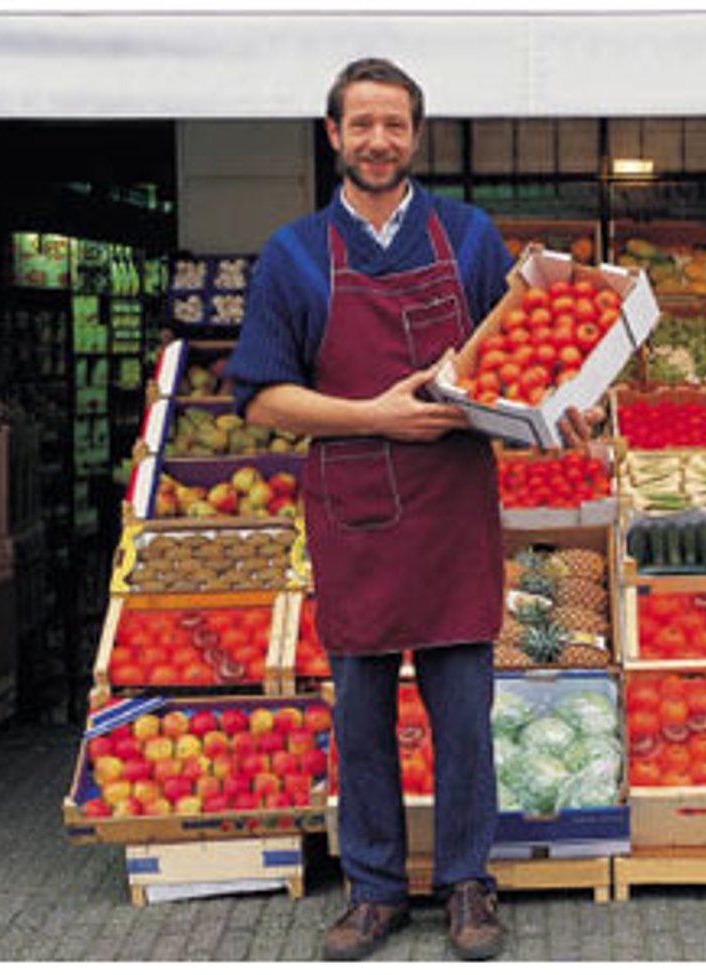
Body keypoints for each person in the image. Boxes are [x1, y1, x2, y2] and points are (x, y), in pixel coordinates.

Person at [224, 57, 597, 962]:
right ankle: (376, 888)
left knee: (464, 711)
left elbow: (511, 364)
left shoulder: (467, 237)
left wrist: (559, 409)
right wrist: (372, 415)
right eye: (362, 125)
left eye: (394, 125)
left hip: (449, 506)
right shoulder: (293, 254)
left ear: (415, 136)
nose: (378, 141)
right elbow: (261, 398)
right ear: (333, 136)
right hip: (352, 512)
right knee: (360, 717)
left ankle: (470, 882)